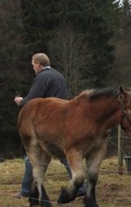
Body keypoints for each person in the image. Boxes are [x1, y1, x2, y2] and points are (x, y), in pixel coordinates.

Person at [13, 53, 81, 197]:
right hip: (63, 118)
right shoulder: (59, 76)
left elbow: (33, 100)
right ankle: (79, 186)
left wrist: (21, 101)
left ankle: (27, 190)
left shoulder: (42, 77)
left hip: (48, 121)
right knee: (65, 154)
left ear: (38, 64)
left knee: (32, 156)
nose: (32, 67)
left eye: (33, 64)